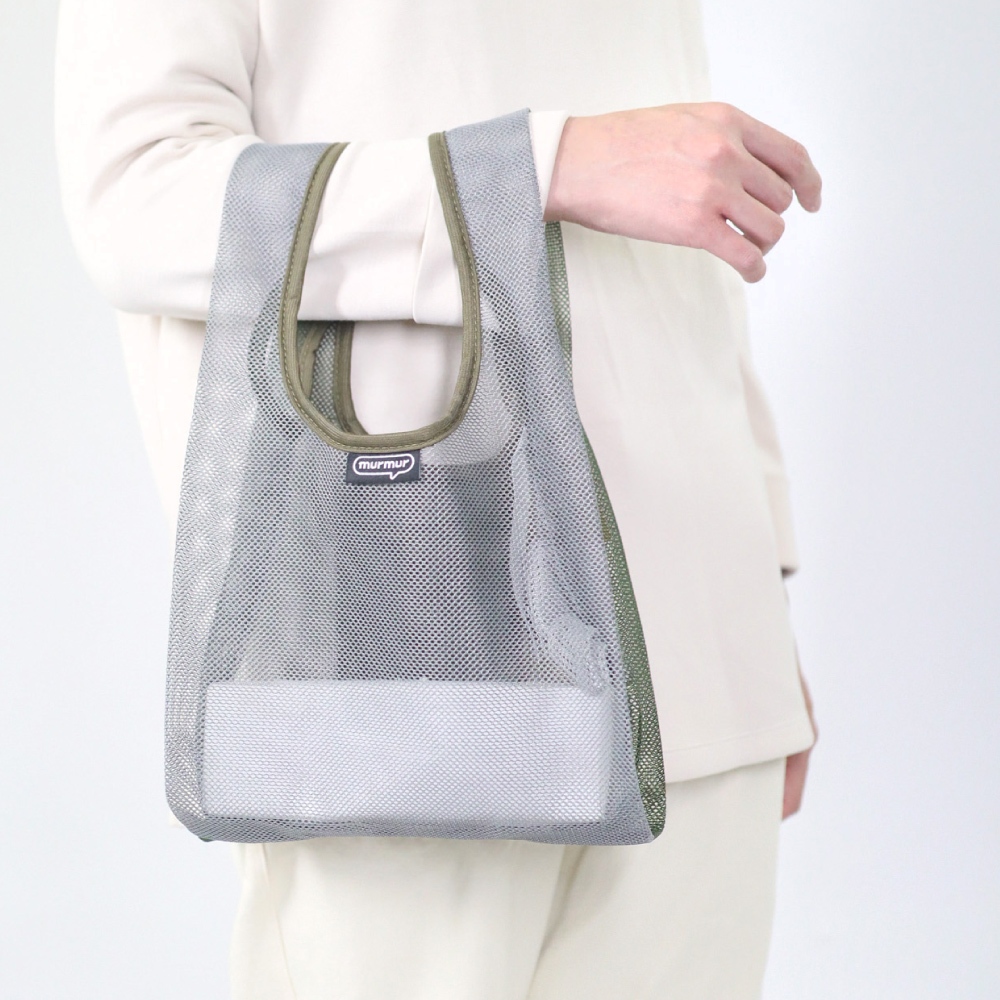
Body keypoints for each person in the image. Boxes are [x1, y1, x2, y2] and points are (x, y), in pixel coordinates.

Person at [54, 0, 821, 996]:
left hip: (704, 643)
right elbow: (132, 200)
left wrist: (763, 586)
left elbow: (686, 252)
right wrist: (540, 166)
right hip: (405, 637)